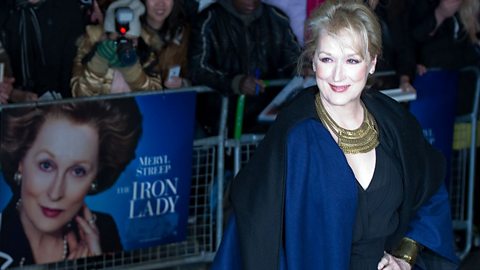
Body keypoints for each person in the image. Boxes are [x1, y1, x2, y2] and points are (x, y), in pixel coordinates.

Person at [211, 0, 459, 269]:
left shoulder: (393, 121)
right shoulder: (294, 136)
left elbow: (430, 192)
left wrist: (405, 255)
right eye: (327, 58)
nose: (338, 75)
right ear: (313, 61)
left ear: (372, 63)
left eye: (352, 60)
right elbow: (255, 234)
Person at [0, 98, 143, 267]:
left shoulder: (103, 231)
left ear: (95, 178)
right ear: (21, 163)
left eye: (78, 171)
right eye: (46, 165)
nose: (55, 193)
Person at [188, 0, 301, 136]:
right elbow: (197, 69)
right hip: (221, 125)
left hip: (268, 124)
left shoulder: (276, 18)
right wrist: (235, 82)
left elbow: (294, 58)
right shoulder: (208, 20)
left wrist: (303, 68)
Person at [0, 0, 85, 101]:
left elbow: (77, 79)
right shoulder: (4, 10)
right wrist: (11, 93)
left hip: (61, 109)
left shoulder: (70, 11)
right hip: (10, 108)